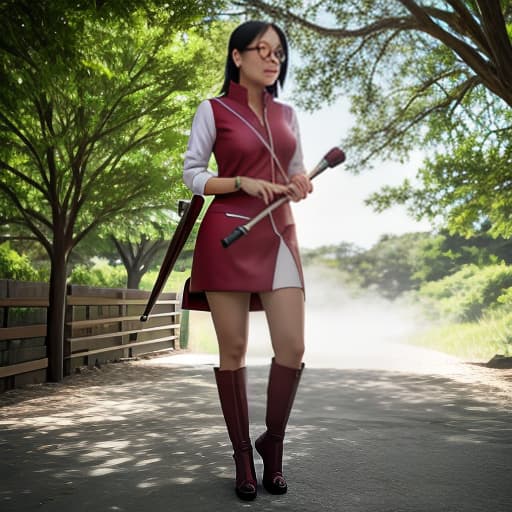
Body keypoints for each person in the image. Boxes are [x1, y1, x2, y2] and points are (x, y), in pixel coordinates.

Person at [182, 20, 312, 501]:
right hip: (229, 235)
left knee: (292, 348)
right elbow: (192, 175)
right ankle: (242, 457)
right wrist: (237, 182)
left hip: (280, 233)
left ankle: (271, 445)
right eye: (262, 49)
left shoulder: (289, 114)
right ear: (237, 56)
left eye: (279, 52)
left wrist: (301, 183)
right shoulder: (212, 109)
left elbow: (296, 171)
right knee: (232, 352)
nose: (272, 58)